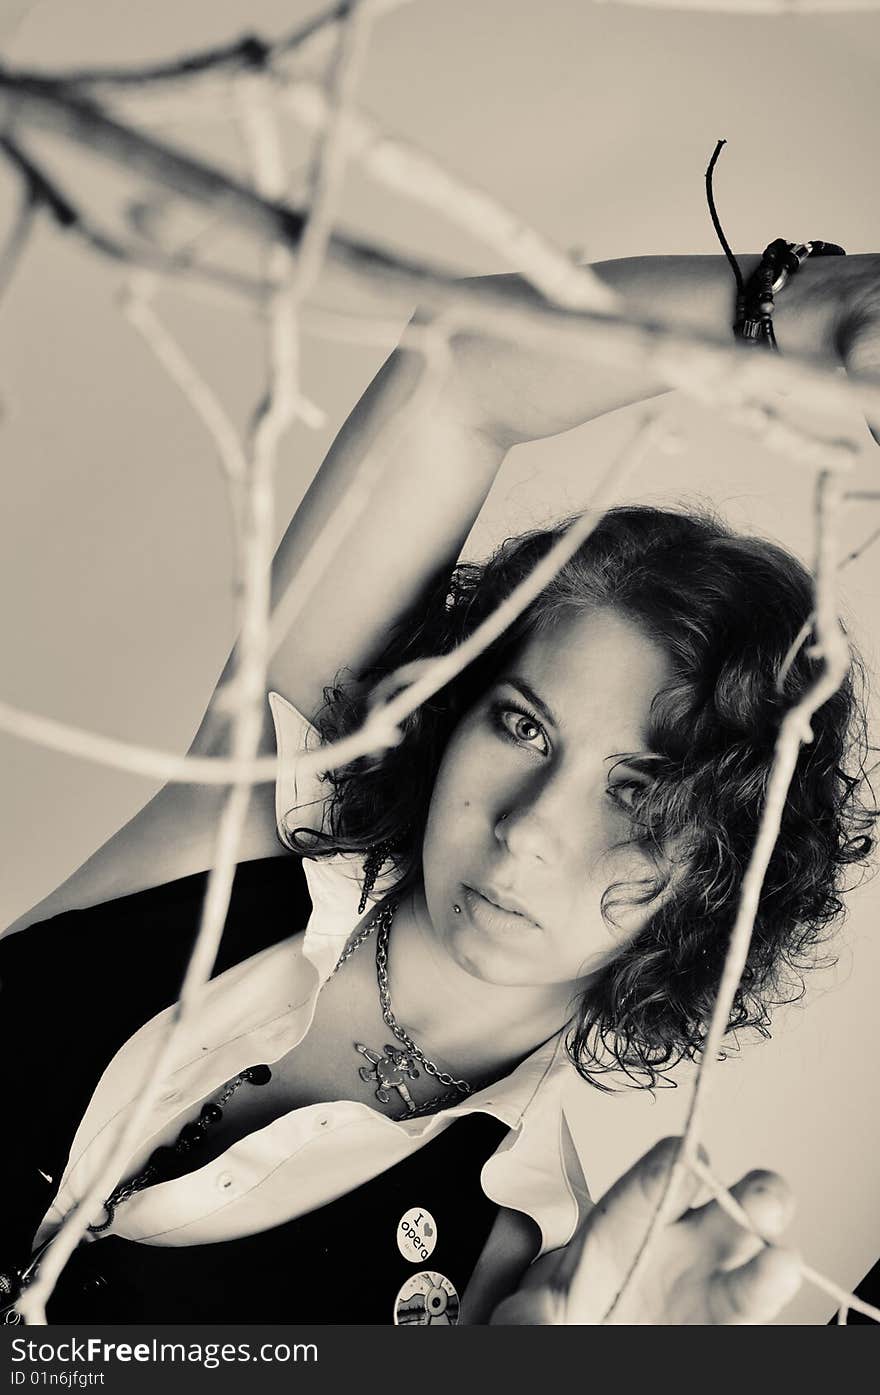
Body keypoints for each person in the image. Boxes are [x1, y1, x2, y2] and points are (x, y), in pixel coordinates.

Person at [1, 251, 877, 1326]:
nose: (528, 833)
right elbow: (459, 378)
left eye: (641, 794)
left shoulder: (521, 1260)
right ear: (449, 709)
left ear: (728, 868)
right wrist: (801, 308)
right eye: (522, 727)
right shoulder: (256, 817)